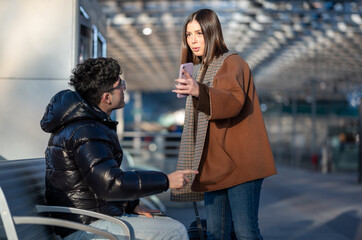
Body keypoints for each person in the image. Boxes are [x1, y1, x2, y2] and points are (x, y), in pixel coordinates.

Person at [40, 57, 197, 240]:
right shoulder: (86, 131)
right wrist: (166, 181)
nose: (124, 87)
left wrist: (129, 206)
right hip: (85, 228)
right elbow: (110, 184)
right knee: (174, 231)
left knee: (164, 223)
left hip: (90, 219)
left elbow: (95, 183)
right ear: (106, 97)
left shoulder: (86, 126)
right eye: (120, 84)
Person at [171, 9, 277, 240]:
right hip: (214, 165)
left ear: (212, 32)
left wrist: (199, 90)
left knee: (245, 231)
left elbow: (233, 102)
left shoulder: (232, 62)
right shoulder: (202, 69)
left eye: (199, 33)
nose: (193, 40)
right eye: (189, 35)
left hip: (241, 163)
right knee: (215, 232)